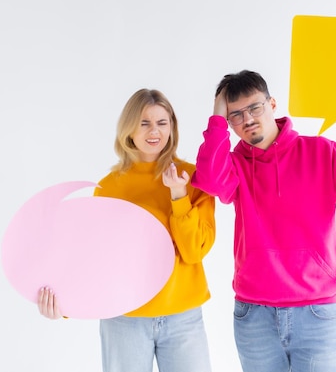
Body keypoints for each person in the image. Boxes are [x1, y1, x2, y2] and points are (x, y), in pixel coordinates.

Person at [191, 70, 336, 372]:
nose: (247, 120)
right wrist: (217, 118)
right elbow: (209, 179)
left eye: (255, 108)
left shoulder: (320, 152)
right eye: (236, 115)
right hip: (254, 316)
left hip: (316, 312)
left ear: (272, 104)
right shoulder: (234, 165)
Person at [38, 88, 216, 372]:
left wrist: (179, 196)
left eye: (162, 122)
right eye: (144, 123)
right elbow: (95, 259)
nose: (154, 131)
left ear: (172, 127)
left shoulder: (192, 178)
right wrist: (67, 305)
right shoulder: (109, 186)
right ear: (129, 129)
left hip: (183, 317)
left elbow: (194, 252)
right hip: (123, 319)